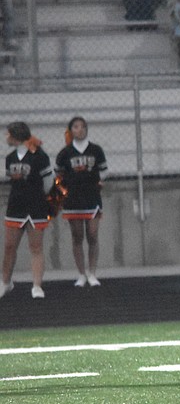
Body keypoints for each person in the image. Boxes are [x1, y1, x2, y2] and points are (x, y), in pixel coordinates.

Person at [2, 122, 53, 300]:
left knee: (36, 247)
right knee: (9, 247)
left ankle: (37, 285)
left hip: (36, 207)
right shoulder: (9, 158)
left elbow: (48, 183)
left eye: (8, 135)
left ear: (16, 136)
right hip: (15, 206)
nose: (6, 138)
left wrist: (39, 198)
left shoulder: (40, 156)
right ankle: (5, 282)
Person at [55, 117, 108, 287]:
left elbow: (105, 170)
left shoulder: (96, 150)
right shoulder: (65, 153)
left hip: (92, 197)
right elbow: (58, 176)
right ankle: (81, 274)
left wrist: (99, 181)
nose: (80, 130)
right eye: (76, 127)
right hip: (73, 199)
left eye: (83, 127)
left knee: (92, 235)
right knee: (77, 236)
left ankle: (92, 273)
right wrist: (64, 192)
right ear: (71, 130)